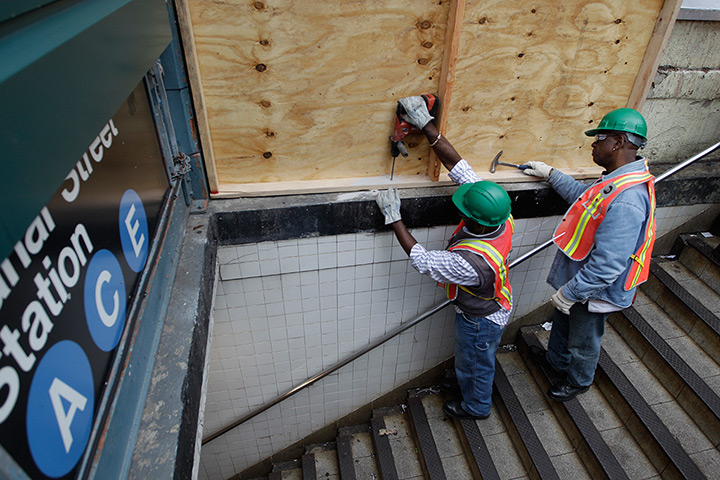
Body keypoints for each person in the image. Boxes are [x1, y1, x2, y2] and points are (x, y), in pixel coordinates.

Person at [375, 96, 514, 420]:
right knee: (474, 359)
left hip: (481, 319)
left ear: (476, 220)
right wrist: (425, 123)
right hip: (496, 303)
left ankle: (476, 406)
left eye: (465, 210)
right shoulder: (499, 215)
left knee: (476, 360)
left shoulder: (471, 263)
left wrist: (394, 217)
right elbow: (459, 167)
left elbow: (423, 260)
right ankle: (470, 379)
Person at [522, 108, 657, 401]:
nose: (593, 145)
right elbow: (585, 200)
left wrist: (572, 291)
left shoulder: (628, 199)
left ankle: (579, 379)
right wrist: (551, 175)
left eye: (599, 139)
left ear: (619, 142)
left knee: (583, 338)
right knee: (562, 322)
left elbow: (608, 265)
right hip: (580, 279)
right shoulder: (616, 180)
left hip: (595, 288)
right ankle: (555, 362)